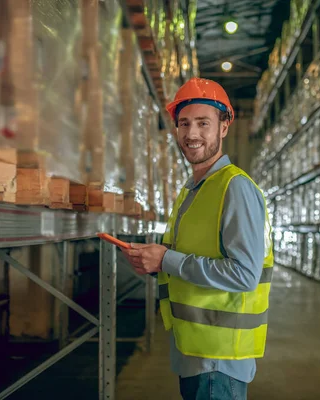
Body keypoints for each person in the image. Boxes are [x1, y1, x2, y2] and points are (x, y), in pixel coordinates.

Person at [121, 77, 274, 400]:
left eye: (203, 123)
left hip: (218, 361)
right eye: (184, 124)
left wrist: (166, 259)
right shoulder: (193, 190)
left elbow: (244, 275)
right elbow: (190, 255)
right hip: (194, 351)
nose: (191, 134)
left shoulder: (235, 188)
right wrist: (155, 262)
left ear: (224, 127)